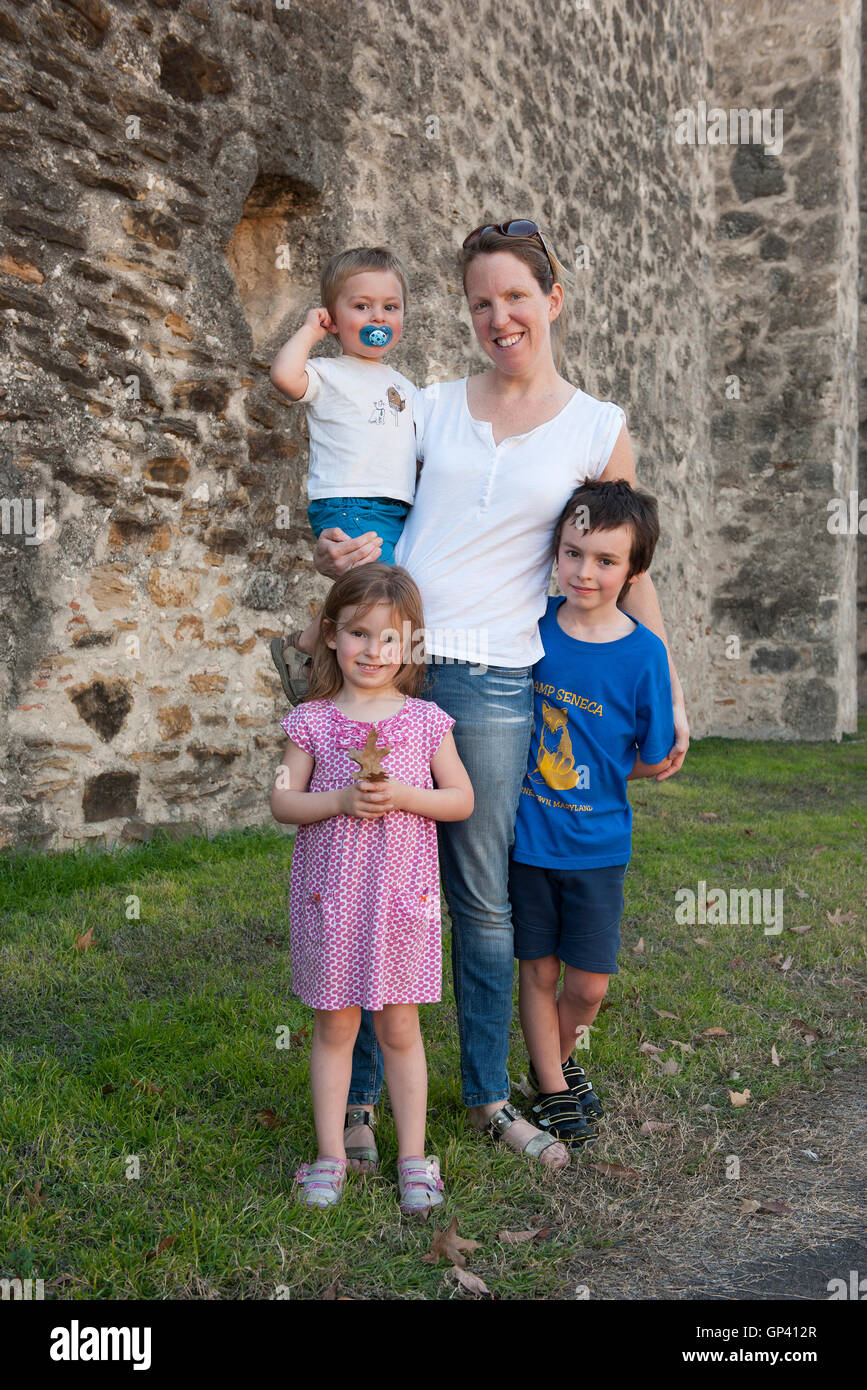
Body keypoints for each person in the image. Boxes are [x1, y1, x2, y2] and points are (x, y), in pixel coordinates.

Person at [306, 220, 689, 1172]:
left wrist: (668, 678)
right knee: (368, 890)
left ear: (552, 300)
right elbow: (370, 508)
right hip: (394, 672)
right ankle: (356, 1103)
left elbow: (628, 564)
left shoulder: (595, 427)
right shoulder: (428, 404)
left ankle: (482, 1095)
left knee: (479, 903)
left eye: (514, 296)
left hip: (493, 684)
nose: (497, 317)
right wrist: (338, 547)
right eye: (479, 301)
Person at [270, 563, 474, 1212]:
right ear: (330, 636)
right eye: (358, 634)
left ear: (410, 646)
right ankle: (330, 1155)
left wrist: (407, 795)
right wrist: (335, 800)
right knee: (334, 1027)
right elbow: (282, 803)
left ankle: (414, 1158)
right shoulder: (312, 720)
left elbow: (462, 799)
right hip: (330, 904)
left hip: (401, 906)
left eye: (390, 639)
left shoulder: (423, 721)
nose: (372, 651)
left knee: (401, 1029)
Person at [510, 478, 674, 1146]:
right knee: (537, 970)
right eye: (573, 553)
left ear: (633, 571)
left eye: (605, 561)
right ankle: (549, 1087)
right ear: (556, 551)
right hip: (527, 840)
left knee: (588, 986)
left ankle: (558, 1059)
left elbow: (654, 755)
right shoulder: (531, 629)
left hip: (598, 845)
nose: (585, 571)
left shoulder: (644, 654)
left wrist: (599, 768)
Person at [268, 247, 417, 702]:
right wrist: (310, 333)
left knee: (376, 594)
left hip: (394, 508)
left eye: (390, 307)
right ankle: (313, 655)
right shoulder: (328, 373)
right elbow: (284, 377)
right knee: (377, 596)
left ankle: (317, 658)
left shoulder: (404, 385)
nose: (378, 316)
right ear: (334, 315)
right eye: (361, 306)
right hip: (349, 501)